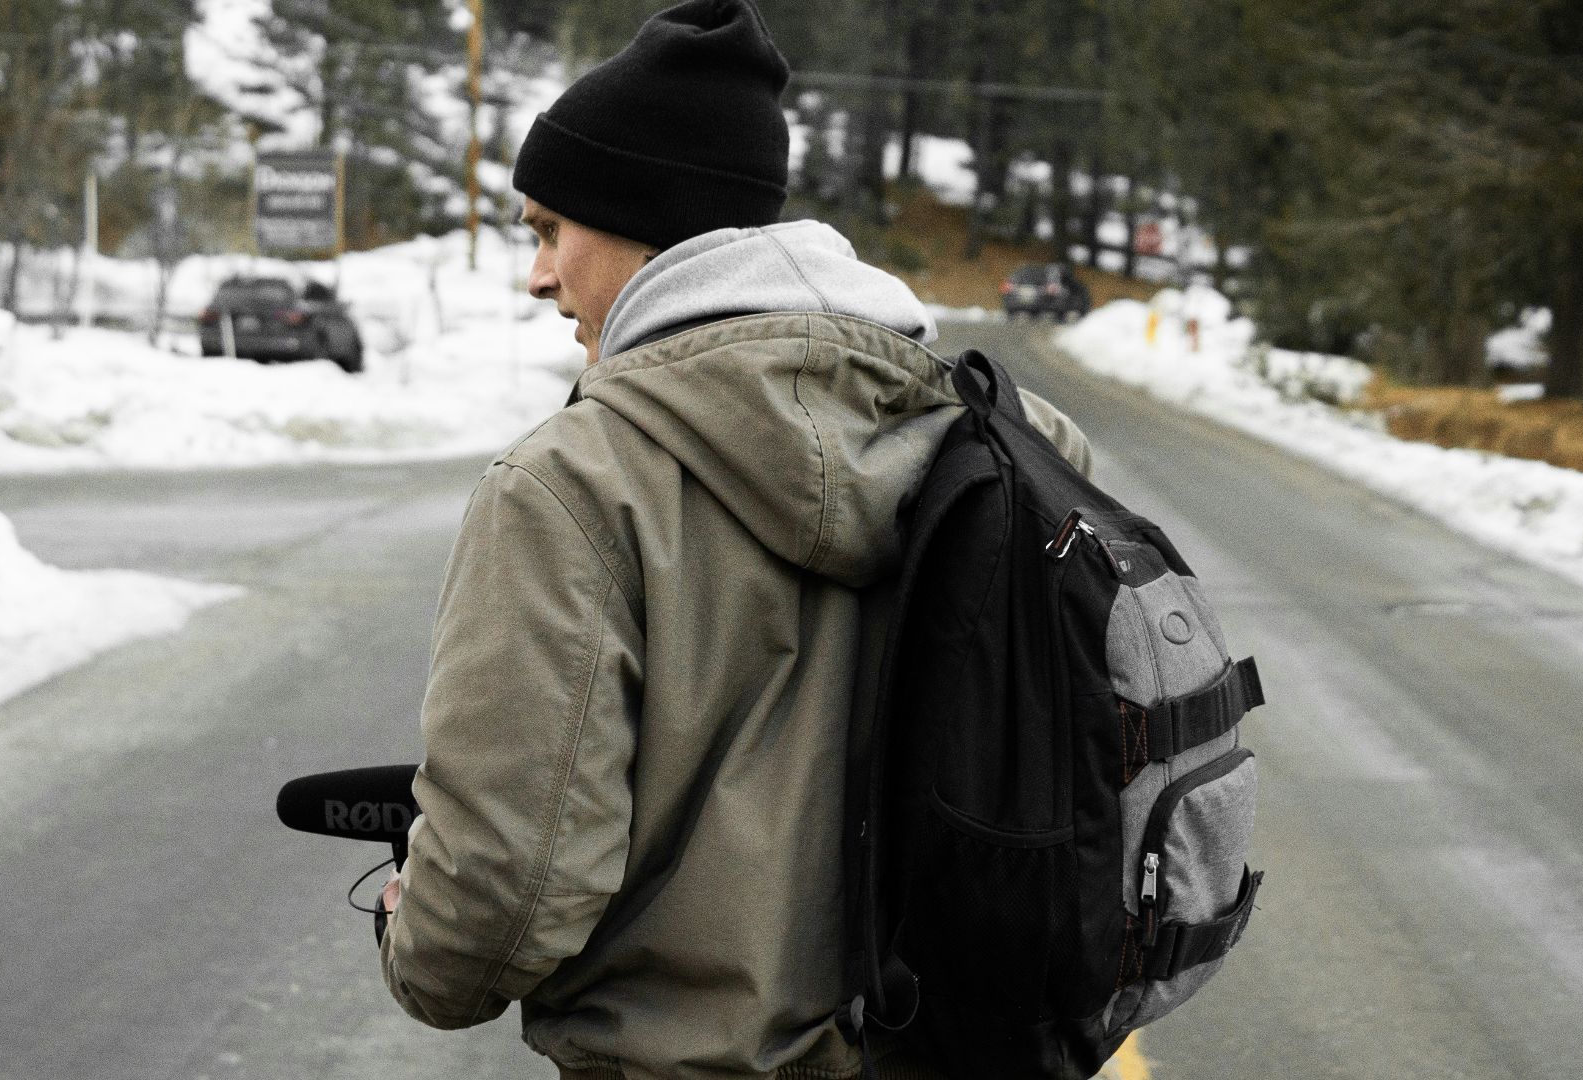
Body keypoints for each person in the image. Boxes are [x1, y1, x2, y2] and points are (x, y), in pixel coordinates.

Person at [376, 2, 1092, 1076]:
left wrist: (414, 938)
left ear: (644, 224)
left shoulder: (566, 487)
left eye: (549, 230)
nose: (538, 275)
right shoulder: (1008, 442)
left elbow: (504, 894)